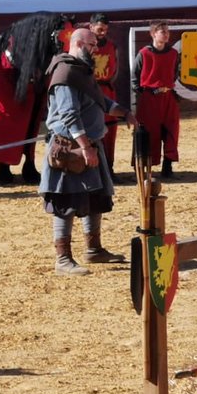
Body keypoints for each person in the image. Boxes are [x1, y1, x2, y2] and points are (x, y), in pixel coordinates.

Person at [40, 27, 135, 275]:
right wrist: (84, 147)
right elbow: (69, 115)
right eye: (92, 45)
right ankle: (63, 259)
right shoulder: (65, 73)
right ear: (80, 44)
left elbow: (101, 103)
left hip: (89, 144)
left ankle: (94, 250)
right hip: (69, 147)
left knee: (95, 197)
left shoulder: (81, 71)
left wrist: (125, 112)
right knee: (65, 202)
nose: (96, 50)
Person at [132, 21, 179, 179]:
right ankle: (145, 166)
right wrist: (144, 93)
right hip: (149, 98)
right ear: (153, 34)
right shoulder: (144, 53)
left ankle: (168, 165)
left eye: (167, 31)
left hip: (167, 97)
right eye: (162, 31)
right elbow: (135, 76)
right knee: (148, 132)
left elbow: (175, 73)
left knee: (171, 130)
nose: (165, 34)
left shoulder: (173, 53)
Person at [87, 13, 124, 180]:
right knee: (92, 131)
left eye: (105, 30)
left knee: (110, 132)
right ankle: (93, 170)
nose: (102, 32)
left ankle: (109, 169)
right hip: (90, 93)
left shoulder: (112, 46)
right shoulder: (84, 47)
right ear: (91, 27)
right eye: (100, 29)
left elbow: (114, 70)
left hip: (107, 91)